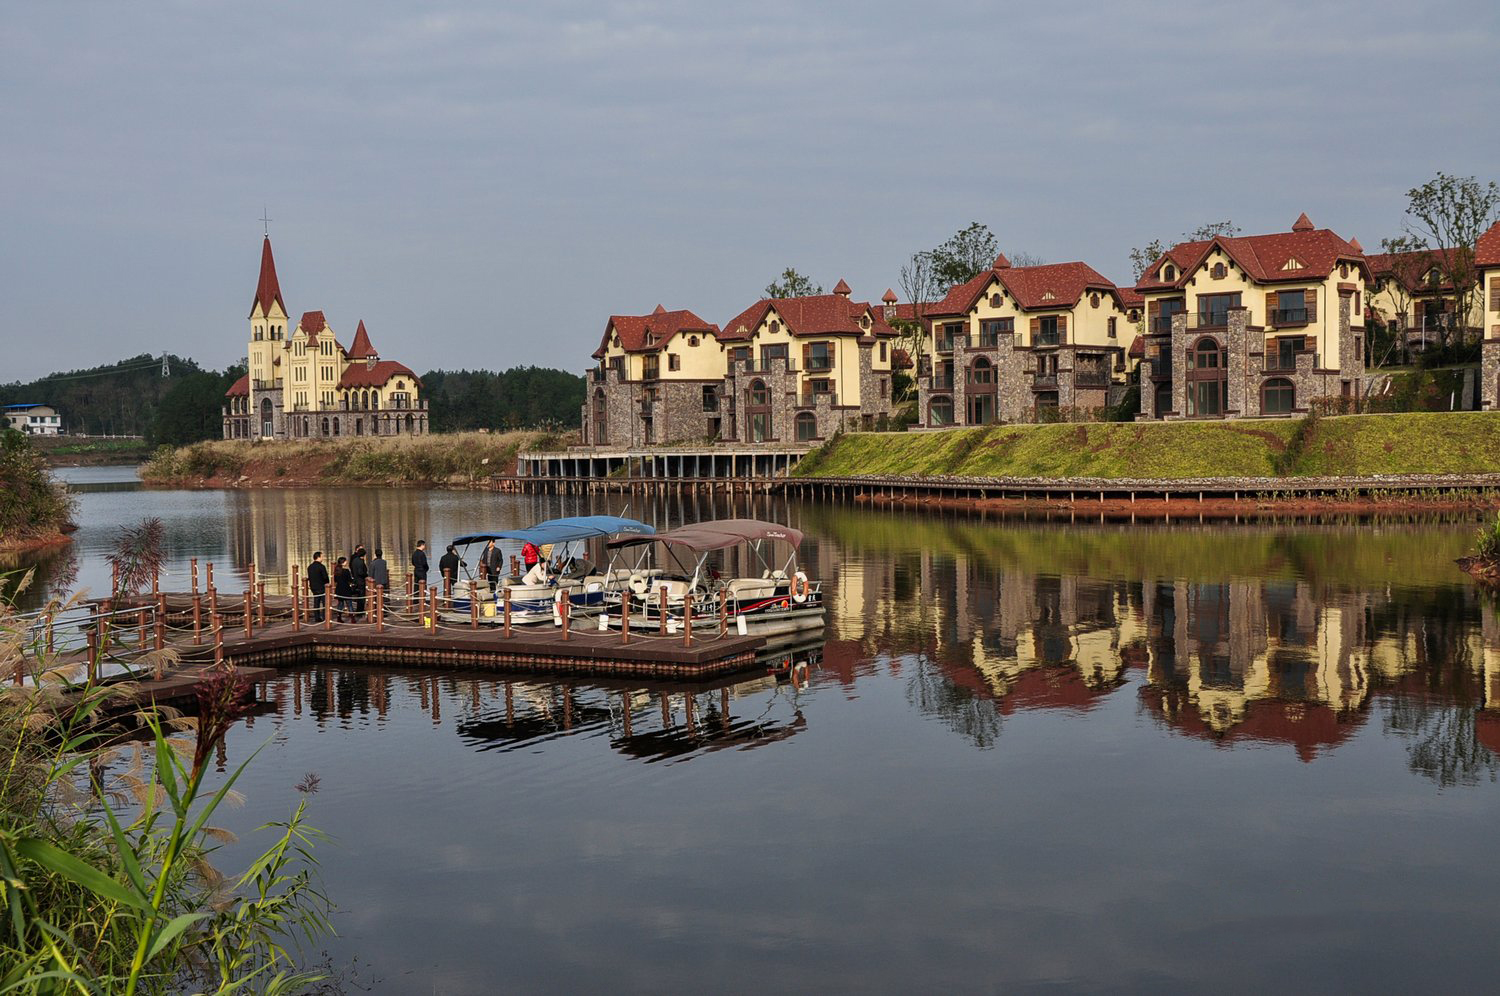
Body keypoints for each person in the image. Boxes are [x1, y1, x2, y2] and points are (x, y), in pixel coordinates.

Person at [307, 551, 329, 622]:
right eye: (322, 556)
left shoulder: (310, 567)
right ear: (318, 557)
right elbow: (325, 577)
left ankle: (317, 617)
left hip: (313, 587)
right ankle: (325, 617)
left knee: (316, 602)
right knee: (325, 602)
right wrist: (327, 583)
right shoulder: (321, 567)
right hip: (321, 586)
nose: (323, 558)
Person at [332, 556, 355, 622]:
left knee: (340, 604)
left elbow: (335, 580)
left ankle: (338, 617)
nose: (346, 562)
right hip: (346, 588)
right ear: (343, 562)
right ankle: (352, 618)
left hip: (339, 589)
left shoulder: (336, 571)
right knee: (349, 604)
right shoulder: (346, 571)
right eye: (345, 561)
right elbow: (350, 580)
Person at [350, 545, 369, 620]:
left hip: (355, 579)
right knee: (362, 597)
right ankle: (360, 611)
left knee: (358, 597)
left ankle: (358, 610)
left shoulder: (354, 560)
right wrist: (366, 575)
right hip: (360, 581)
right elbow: (360, 572)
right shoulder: (360, 562)